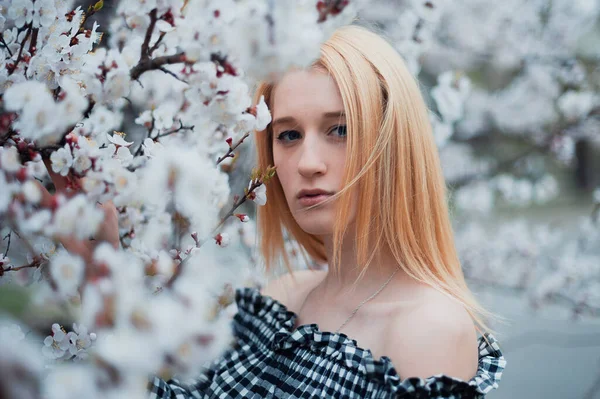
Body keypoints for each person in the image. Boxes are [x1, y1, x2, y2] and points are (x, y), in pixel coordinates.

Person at [42, 23, 506, 398]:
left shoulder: (427, 332)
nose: (307, 163)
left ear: (393, 144)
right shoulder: (282, 300)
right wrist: (97, 267)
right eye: (287, 135)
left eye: (339, 130)